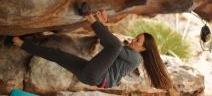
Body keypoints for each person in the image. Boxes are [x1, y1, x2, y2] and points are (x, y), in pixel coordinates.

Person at [12, 10, 172, 90]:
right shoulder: (126, 51)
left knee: (115, 46)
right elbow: (110, 42)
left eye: (137, 41)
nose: (132, 40)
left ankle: (90, 17)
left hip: (97, 76)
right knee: (57, 55)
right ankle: (19, 43)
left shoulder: (136, 58)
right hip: (87, 74)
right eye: (135, 37)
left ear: (144, 49)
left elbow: (112, 45)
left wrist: (100, 24)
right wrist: (105, 24)